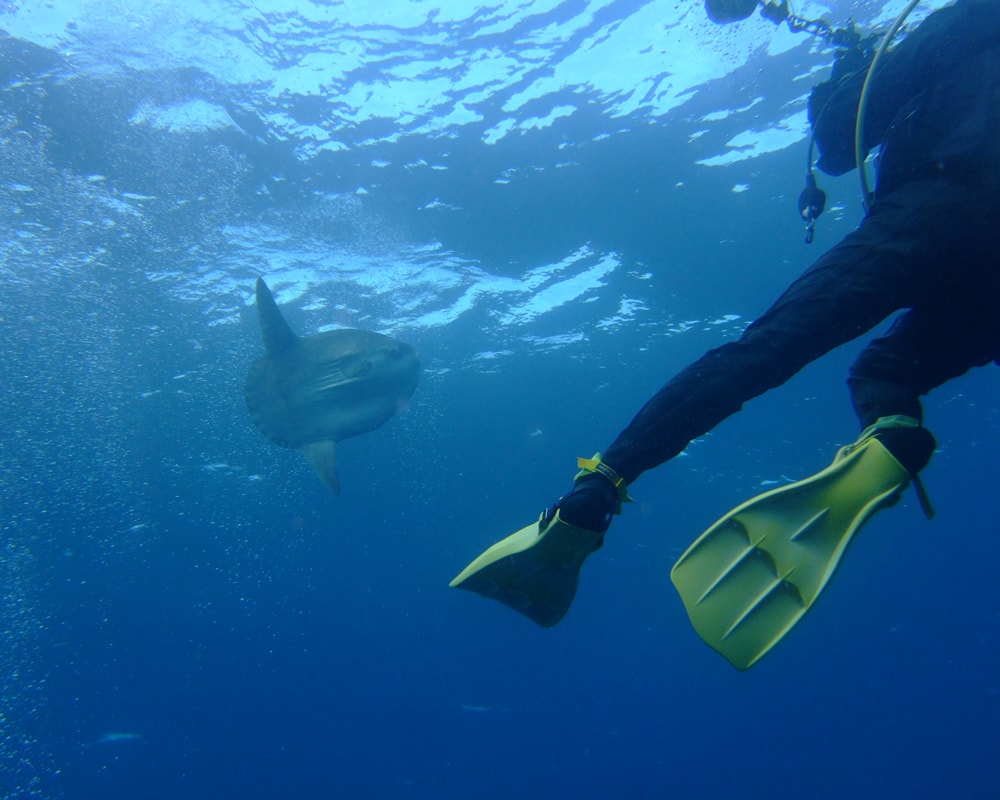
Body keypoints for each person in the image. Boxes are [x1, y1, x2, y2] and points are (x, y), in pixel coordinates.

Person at [450, 0, 1000, 669]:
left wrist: (850, 66)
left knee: (762, 352)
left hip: (942, 208)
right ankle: (892, 434)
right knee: (886, 372)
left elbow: (837, 143)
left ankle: (596, 493)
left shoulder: (973, 17)